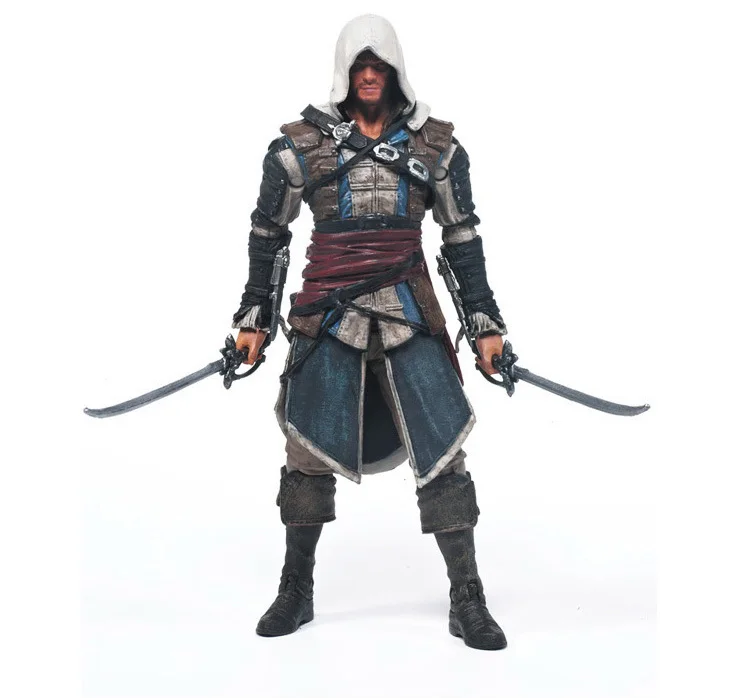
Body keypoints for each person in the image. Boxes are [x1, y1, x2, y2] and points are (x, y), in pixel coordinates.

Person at [232, 14, 508, 650]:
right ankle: (295, 588)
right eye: (359, 66)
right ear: (344, 72)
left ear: (394, 71)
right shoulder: (300, 147)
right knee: (305, 452)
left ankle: (467, 596)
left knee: (443, 451)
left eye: (378, 66)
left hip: (410, 310)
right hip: (328, 313)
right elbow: (268, 234)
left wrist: (484, 324)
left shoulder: (435, 148)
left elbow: (461, 237)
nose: (368, 75)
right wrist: (254, 318)